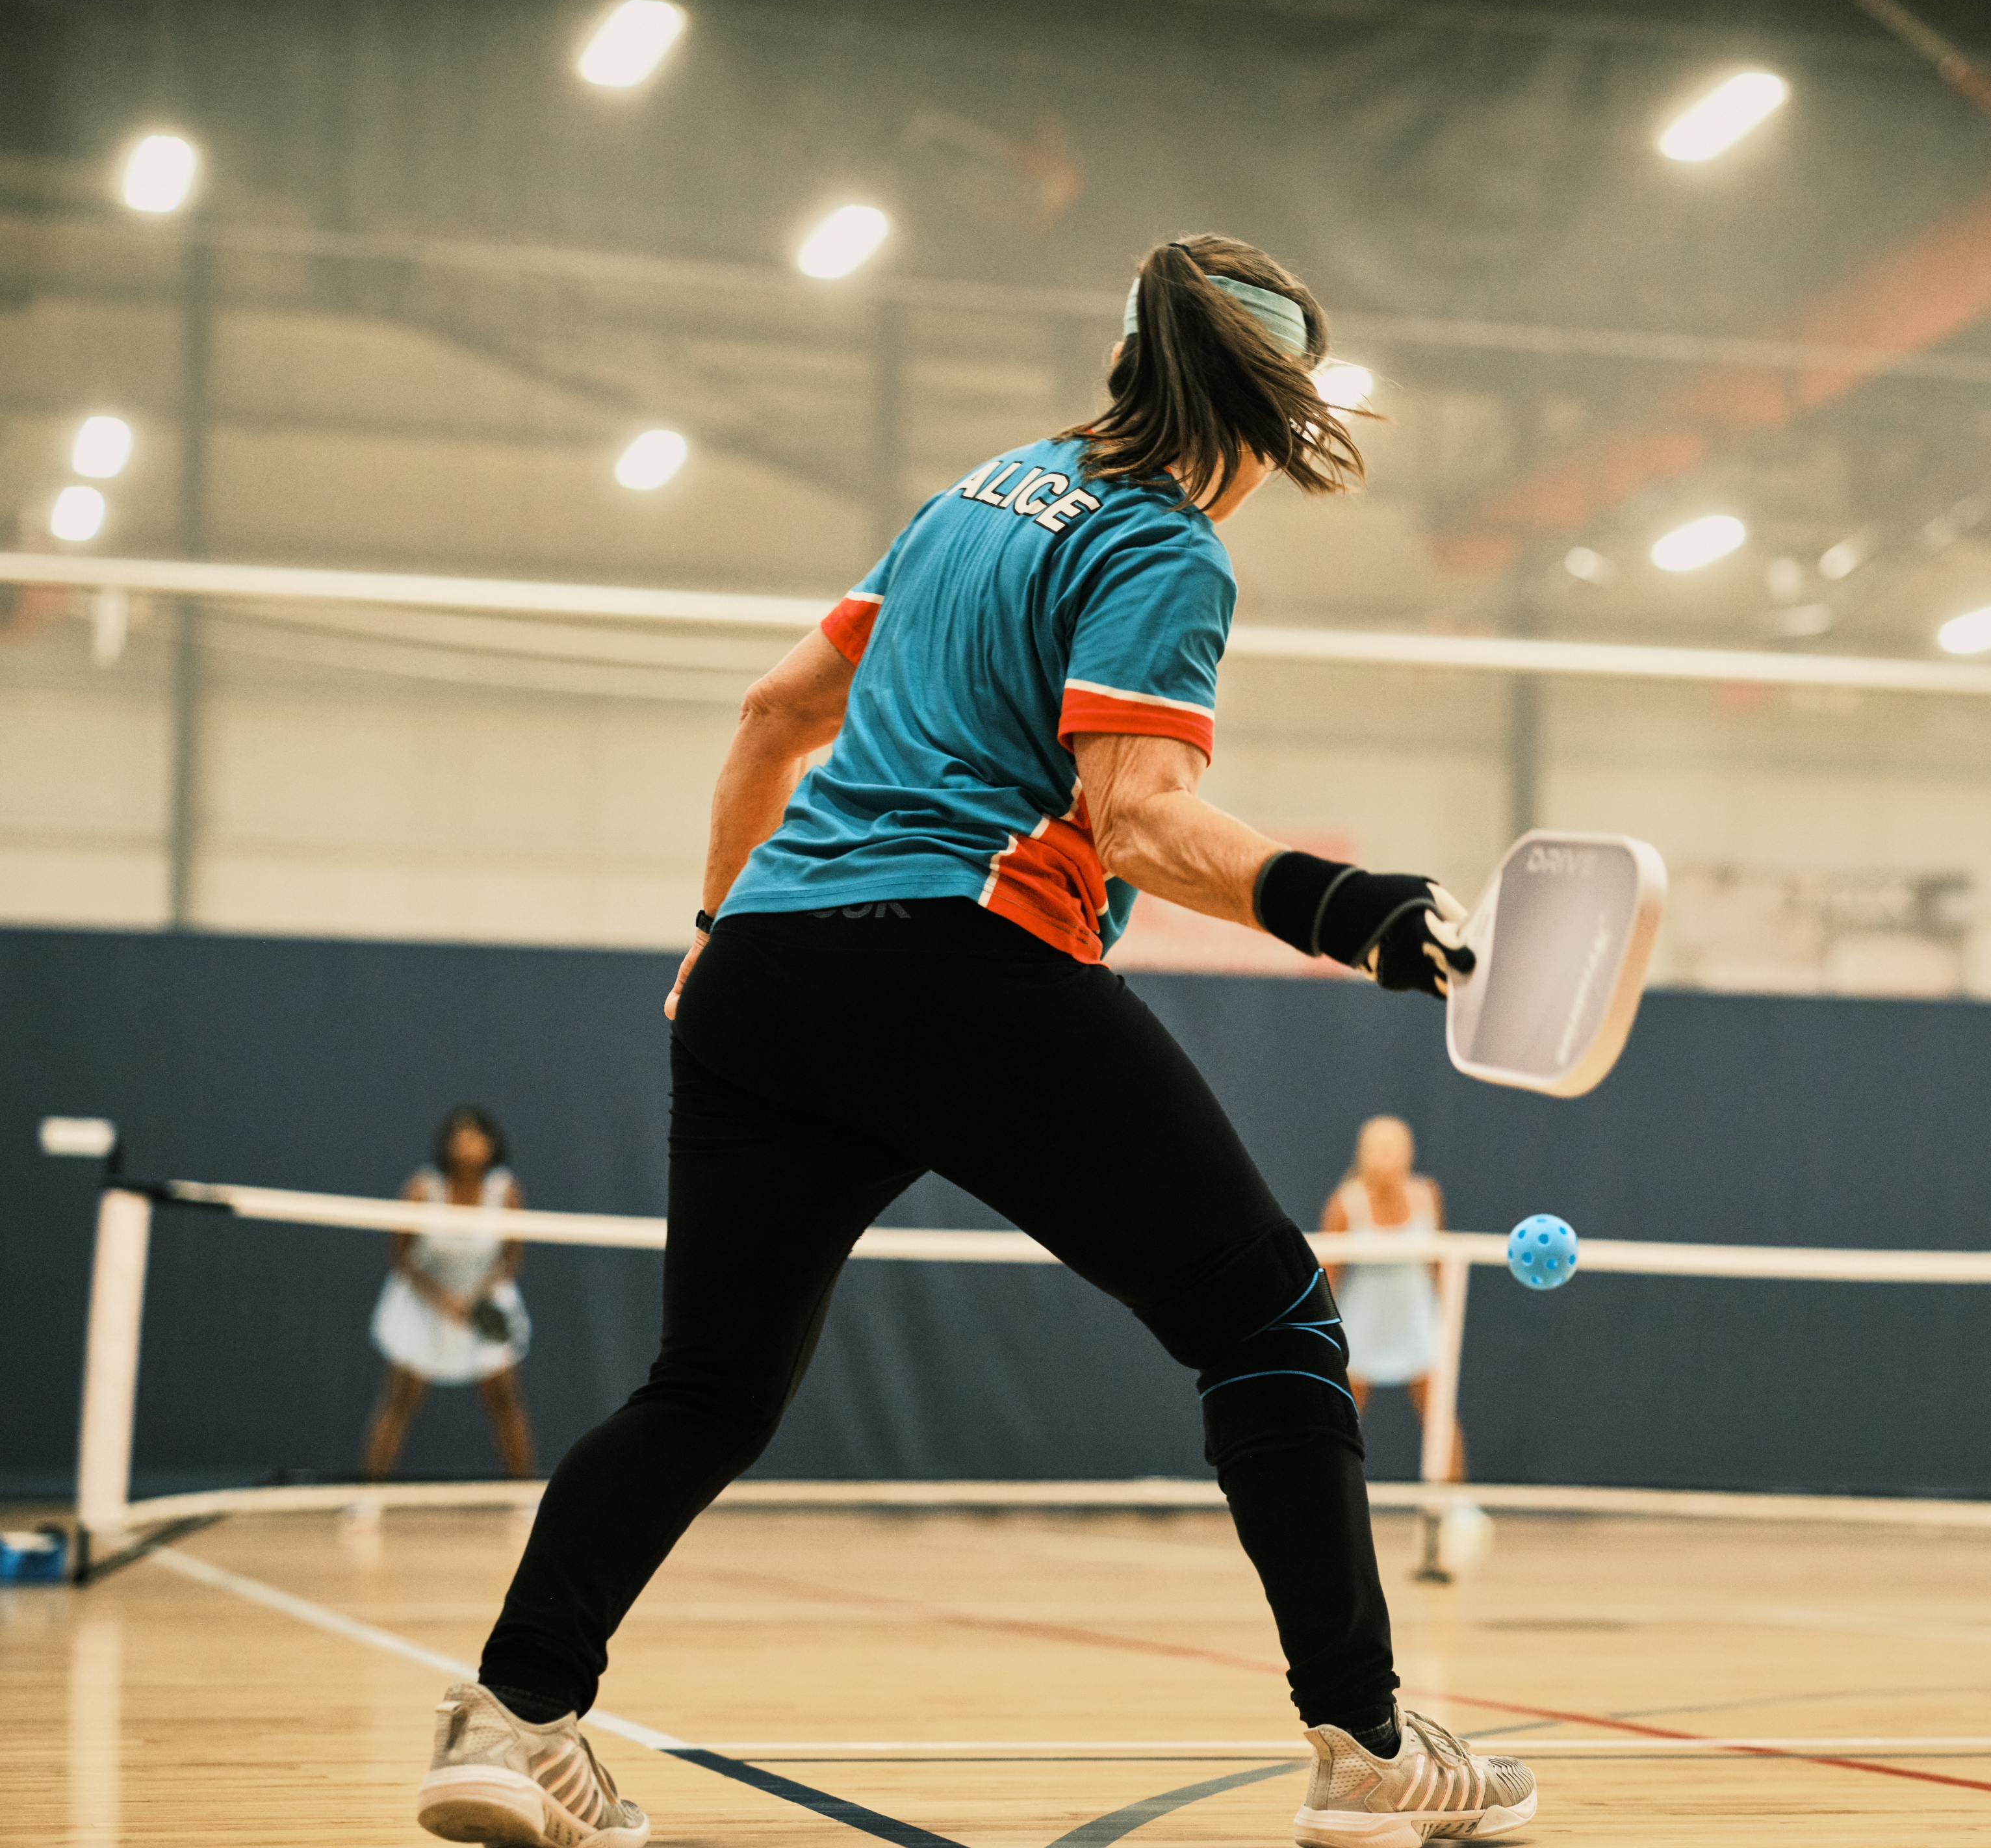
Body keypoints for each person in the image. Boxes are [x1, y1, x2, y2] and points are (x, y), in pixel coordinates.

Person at [411, 235, 1536, 1848]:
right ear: (1268, 417)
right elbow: (1134, 819)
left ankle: (512, 1720)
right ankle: (1364, 1743)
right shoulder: (1164, 547)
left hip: (763, 979)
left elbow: (770, 715)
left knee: (708, 1384)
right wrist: (1348, 907)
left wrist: (722, 928)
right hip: (961, 961)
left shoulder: (972, 496)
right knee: (1272, 1319)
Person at [361, 1105, 535, 1483]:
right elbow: (401, 1256)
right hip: (425, 1302)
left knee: (506, 1401)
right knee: (400, 1401)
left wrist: (476, 1299)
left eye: (476, 1135)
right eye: (460, 1135)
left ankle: (525, 1497)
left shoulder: (505, 1190)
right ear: (447, 1143)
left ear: (491, 1144)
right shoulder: (423, 1188)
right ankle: (366, 1497)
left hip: (484, 1301)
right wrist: (444, 1301)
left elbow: (510, 1258)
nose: (467, 1143)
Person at [1318, 1115, 1465, 1482]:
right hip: (1362, 1322)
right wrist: (1322, 1333)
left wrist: (1445, 1318)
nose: (1385, 1160)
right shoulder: (1344, 1204)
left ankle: (1452, 1506)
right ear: (1363, 1154)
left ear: (1409, 1153)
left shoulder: (1428, 1195)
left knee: (1439, 1414)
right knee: (1341, 1414)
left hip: (1417, 1320)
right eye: (1377, 1151)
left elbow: (1439, 1265)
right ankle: (1325, 1496)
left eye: (1393, 1150)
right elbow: (1327, 1274)